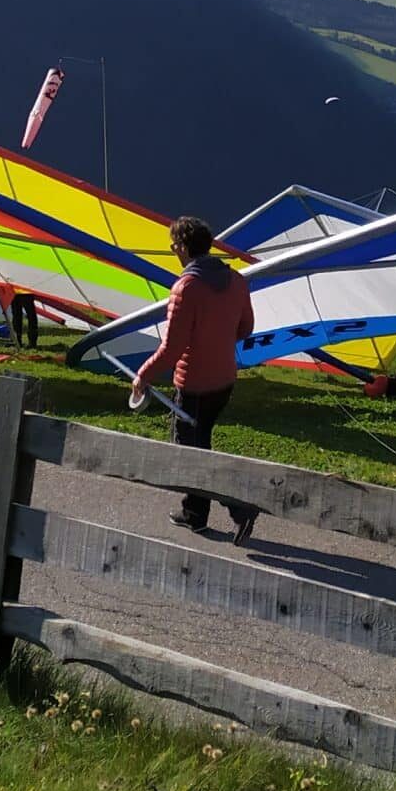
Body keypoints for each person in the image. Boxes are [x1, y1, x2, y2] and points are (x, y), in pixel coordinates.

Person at [128, 215, 260, 544]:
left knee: (191, 454)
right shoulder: (236, 280)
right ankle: (195, 514)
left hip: (195, 385)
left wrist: (142, 375)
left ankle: (239, 507)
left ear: (184, 248)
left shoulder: (186, 288)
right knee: (200, 445)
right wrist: (218, 337)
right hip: (224, 380)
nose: (174, 250)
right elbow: (246, 328)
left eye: (174, 245)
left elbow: (171, 350)